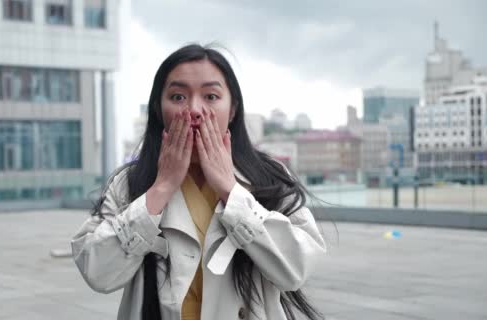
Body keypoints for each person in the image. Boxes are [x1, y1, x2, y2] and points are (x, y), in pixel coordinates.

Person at [71, 44, 327, 320]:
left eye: (211, 96)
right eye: (178, 96)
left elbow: (297, 269)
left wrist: (231, 192)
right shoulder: (129, 182)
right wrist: (161, 189)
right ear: (158, 108)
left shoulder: (268, 175)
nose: (194, 110)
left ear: (232, 109)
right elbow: (98, 273)